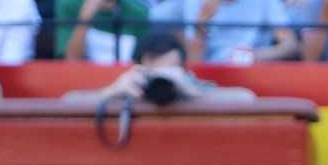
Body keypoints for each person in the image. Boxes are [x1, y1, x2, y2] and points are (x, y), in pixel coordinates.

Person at [61, 29, 257, 102]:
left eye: (169, 71)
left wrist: (194, 92)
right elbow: (68, 102)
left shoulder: (190, 86)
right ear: (137, 69)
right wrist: (110, 92)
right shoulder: (130, 87)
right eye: (153, 73)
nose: (161, 79)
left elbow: (246, 98)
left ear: (183, 71)